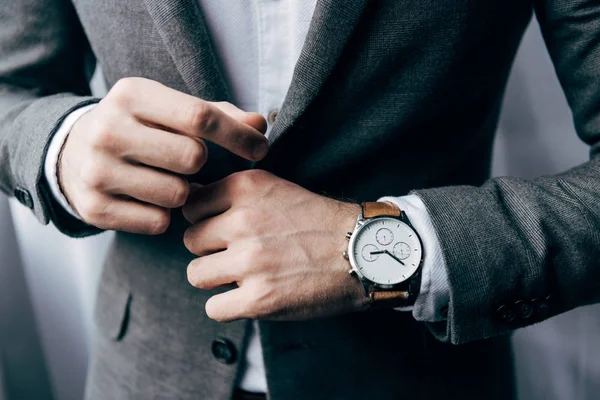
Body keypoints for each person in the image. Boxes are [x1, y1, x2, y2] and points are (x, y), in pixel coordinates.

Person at [1, 1, 599, 399]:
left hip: (419, 376)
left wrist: (390, 247)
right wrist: (60, 146)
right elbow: (11, 86)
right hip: (142, 374)